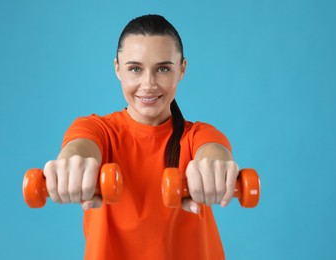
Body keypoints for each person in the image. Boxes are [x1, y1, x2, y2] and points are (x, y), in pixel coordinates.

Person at [43, 14, 239, 260]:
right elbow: (80, 146)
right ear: (117, 69)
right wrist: (73, 162)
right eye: (135, 68)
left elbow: (213, 151)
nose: (148, 84)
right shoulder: (97, 130)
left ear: (182, 70)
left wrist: (214, 166)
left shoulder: (198, 135)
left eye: (163, 69)